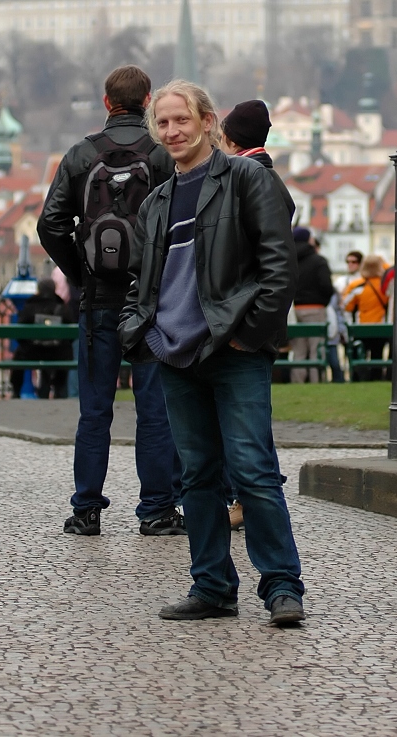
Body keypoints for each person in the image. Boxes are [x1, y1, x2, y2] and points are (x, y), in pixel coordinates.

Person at [119, 79, 305, 625]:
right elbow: (140, 283)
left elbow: (279, 267)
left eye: (181, 120)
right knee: (197, 477)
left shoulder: (246, 178)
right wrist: (142, 335)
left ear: (207, 122)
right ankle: (213, 586)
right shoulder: (156, 201)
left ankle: (281, 586)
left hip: (235, 349)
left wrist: (250, 334)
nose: (172, 131)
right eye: (163, 122)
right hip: (176, 355)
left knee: (253, 471)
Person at [37, 65, 183, 538]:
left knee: (95, 410)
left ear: (106, 102)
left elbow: (50, 224)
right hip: (151, 301)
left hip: (97, 299)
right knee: (154, 410)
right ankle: (157, 509)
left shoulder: (81, 154)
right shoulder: (161, 154)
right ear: (148, 101)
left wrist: (80, 274)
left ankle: (86, 510)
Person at [220, 98, 294, 531]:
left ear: (229, 138)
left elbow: (269, 265)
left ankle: (250, 498)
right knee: (250, 418)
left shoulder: (249, 177)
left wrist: (249, 330)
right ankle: (253, 494)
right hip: (256, 318)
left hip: (247, 318)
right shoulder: (267, 175)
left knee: (246, 420)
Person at [290, 227, 333, 383]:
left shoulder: (289, 260)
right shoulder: (318, 261)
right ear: (309, 239)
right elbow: (326, 286)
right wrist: (324, 301)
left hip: (294, 309)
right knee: (317, 349)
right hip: (315, 308)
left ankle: (297, 382)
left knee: (299, 351)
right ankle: (317, 381)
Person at [15, 277, 69, 400]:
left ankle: (16, 390)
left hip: (33, 352)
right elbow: (70, 333)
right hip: (57, 352)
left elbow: (19, 333)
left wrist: (28, 344)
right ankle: (59, 389)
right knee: (66, 352)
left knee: (19, 354)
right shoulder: (62, 307)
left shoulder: (30, 306)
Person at [343, 253, 391, 380]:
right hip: (380, 327)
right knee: (377, 354)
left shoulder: (356, 285)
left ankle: (360, 378)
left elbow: (346, 305)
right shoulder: (384, 286)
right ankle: (376, 377)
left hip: (361, 327)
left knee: (360, 354)